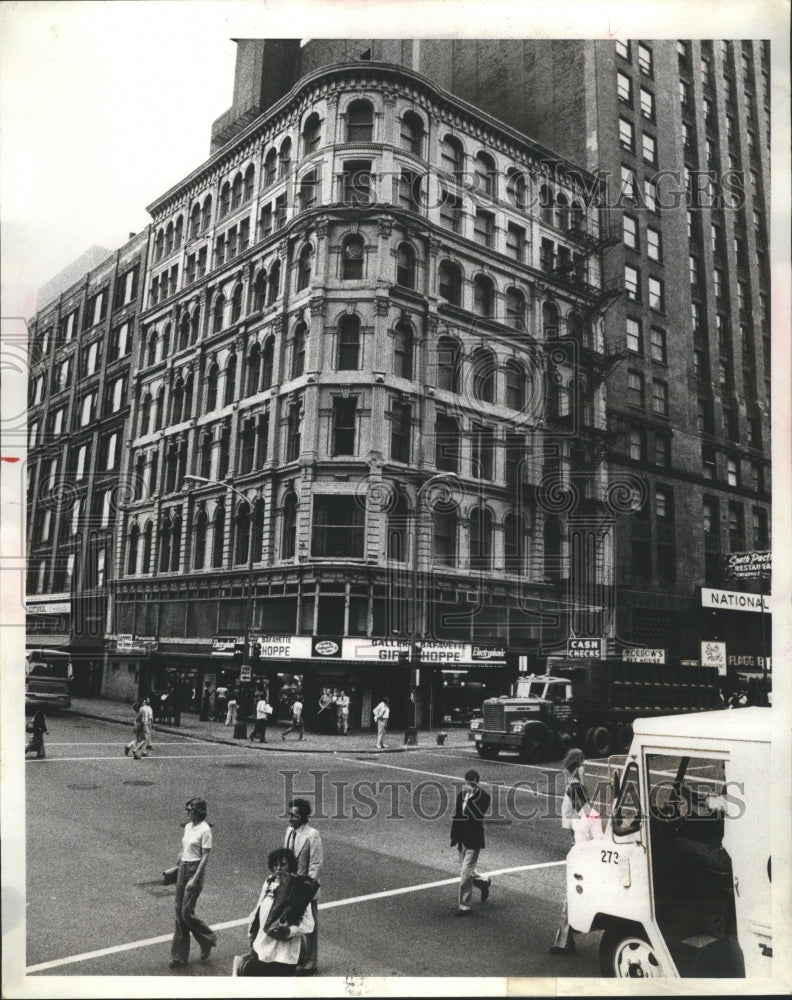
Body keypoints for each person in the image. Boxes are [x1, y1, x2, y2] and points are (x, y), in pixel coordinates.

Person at [233, 848, 317, 976]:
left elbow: (309, 924)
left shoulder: (299, 889)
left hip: (284, 955)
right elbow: (258, 910)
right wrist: (251, 934)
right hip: (263, 948)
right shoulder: (269, 882)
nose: (278, 868)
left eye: (283, 864)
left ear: (290, 866)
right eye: (275, 865)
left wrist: (290, 931)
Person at [549, 747, 594, 955]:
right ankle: (565, 938)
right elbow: (585, 807)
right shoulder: (578, 789)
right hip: (582, 847)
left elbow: (582, 808)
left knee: (572, 896)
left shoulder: (574, 786)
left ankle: (565, 939)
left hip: (580, 852)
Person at [169, 797, 217, 969]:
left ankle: (208, 938)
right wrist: (178, 862)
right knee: (178, 912)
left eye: (190, 809)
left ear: (198, 811)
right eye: (187, 809)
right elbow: (184, 847)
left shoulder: (205, 830)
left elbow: (205, 856)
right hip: (183, 868)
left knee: (186, 912)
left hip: (194, 870)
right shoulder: (188, 826)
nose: (187, 812)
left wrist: (195, 878)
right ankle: (179, 956)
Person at [284, 798, 323, 974]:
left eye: (294, 815)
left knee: (310, 926)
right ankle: (299, 958)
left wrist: (307, 887)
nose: (290, 818)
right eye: (290, 814)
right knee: (294, 923)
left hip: (305, 887)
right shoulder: (289, 831)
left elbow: (315, 863)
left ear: (303, 817)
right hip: (290, 885)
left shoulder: (312, 834)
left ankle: (311, 963)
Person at [450, 768, 492, 916]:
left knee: (465, 875)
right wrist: (454, 837)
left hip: (473, 840)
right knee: (468, 872)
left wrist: (471, 799)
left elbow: (476, 815)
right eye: (468, 783)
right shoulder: (461, 795)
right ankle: (484, 882)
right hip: (462, 839)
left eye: (473, 784)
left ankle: (464, 906)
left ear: (477, 783)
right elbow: (457, 816)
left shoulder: (484, 797)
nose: (470, 786)